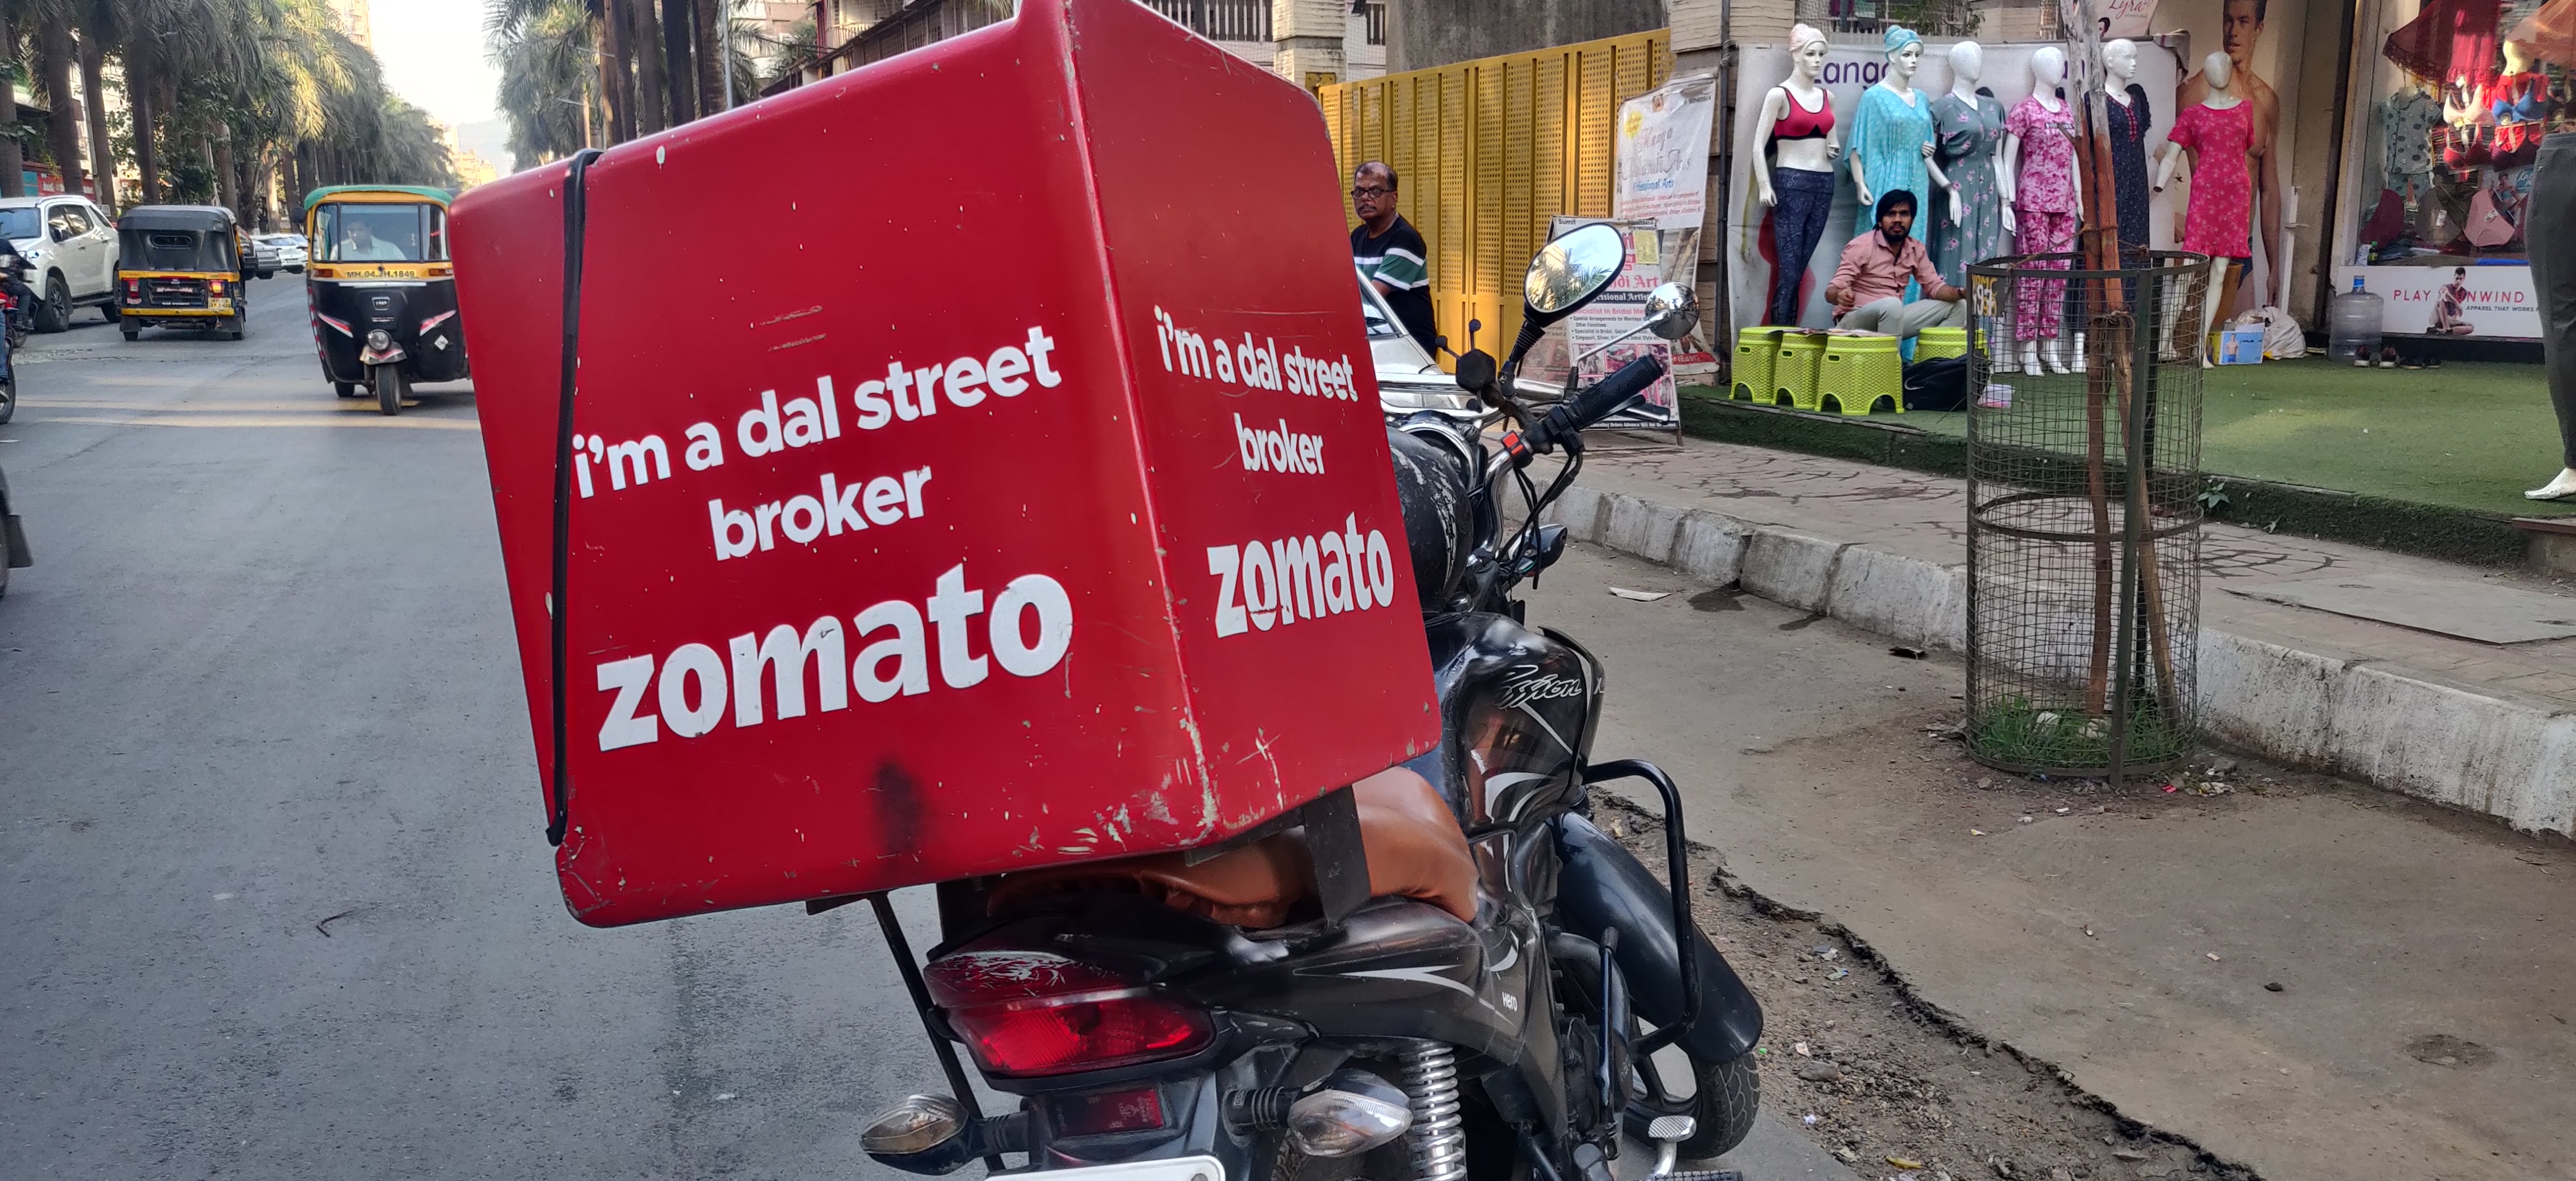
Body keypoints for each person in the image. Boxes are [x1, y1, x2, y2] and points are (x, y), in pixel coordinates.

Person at [2176, 0, 2283, 312]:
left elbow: (2269, 190)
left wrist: (2274, 267)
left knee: (2241, 336)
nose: (2233, 31)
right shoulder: (2194, 94)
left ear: (2259, 28)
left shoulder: (2265, 101)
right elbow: (2162, 160)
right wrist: (2171, 220)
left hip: (2242, 246)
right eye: (2228, 21)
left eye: (2244, 21)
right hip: (2204, 245)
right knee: (2193, 337)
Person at [1824, 189, 1966, 341]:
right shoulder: (1861, 246)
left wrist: (1962, 292)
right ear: (1880, 221)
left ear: (1912, 220)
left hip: (1891, 319)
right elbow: (1830, 292)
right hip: (1853, 322)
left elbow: (1935, 288)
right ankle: (1891, 358)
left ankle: (1934, 356)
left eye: (1904, 214)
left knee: (1959, 306)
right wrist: (1840, 295)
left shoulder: (1915, 248)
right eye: (1890, 214)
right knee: (1892, 305)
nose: (1897, 220)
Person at [1348, 162, 1436, 352]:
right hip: (1375, 343)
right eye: (1359, 191)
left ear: (1393, 198)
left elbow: (1371, 299)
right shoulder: (1357, 237)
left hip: (1409, 350)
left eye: (1375, 191)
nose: (1365, 198)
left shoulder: (1405, 239)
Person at [338, 219, 407, 261]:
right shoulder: (340, 250)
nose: (355, 235)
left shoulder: (391, 249)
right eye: (351, 231)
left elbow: (406, 271)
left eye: (360, 230)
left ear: (369, 230)